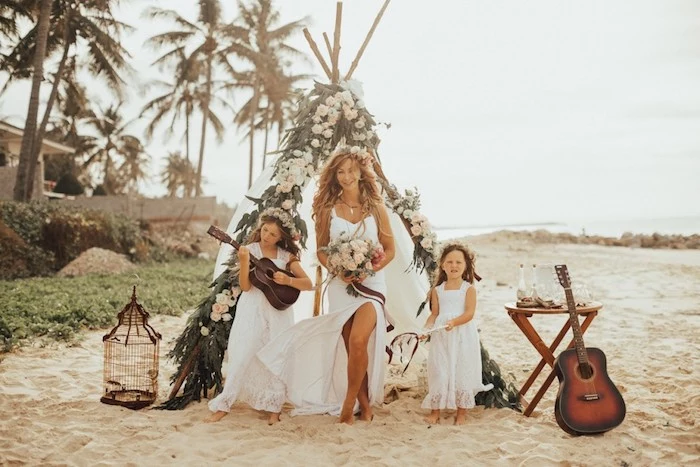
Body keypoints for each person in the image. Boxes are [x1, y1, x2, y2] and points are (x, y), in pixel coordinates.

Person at [257, 147, 395, 425]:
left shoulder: (377, 209)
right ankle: (365, 405)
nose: (345, 176)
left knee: (359, 340)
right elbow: (321, 251)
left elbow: (390, 250)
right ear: (334, 175)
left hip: (371, 285)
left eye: (351, 170)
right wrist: (339, 269)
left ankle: (348, 405)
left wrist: (368, 268)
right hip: (340, 285)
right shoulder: (327, 210)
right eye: (340, 171)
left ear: (361, 172)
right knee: (351, 347)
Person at [205, 208, 313, 425]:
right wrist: (245, 261)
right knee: (243, 352)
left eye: (273, 234)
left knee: (277, 355)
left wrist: (288, 280)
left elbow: (308, 284)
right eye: (265, 230)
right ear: (260, 228)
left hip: (277, 311)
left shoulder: (286, 257)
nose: (267, 236)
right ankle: (224, 403)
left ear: (281, 237)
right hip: (252, 308)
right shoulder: (249, 250)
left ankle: (274, 407)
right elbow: (245, 286)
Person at [420, 242, 493, 425]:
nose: (454, 266)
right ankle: (435, 411)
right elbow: (434, 314)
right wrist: (425, 330)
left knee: (462, 370)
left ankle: (461, 412)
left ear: (466, 265)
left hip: (462, 336)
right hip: (442, 337)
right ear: (442, 265)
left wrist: (453, 322)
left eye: (458, 262)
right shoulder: (437, 290)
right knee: (439, 370)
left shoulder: (468, 289)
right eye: (449, 262)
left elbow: (469, 314)